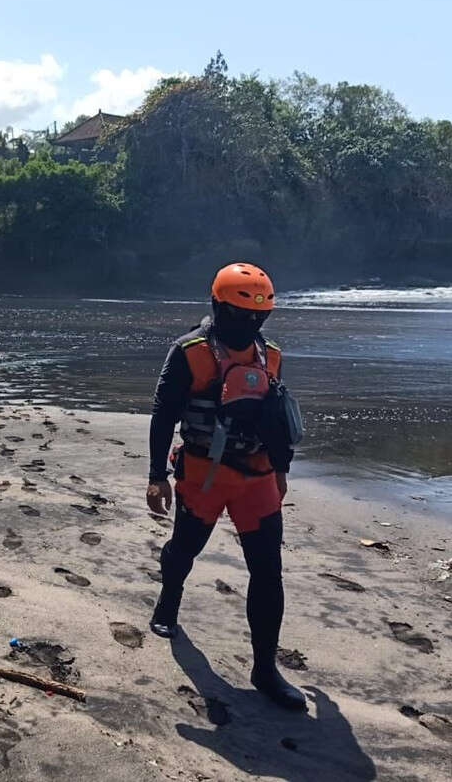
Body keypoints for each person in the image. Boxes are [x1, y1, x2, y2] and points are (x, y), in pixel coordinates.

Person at [146, 262, 305, 710]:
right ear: (217, 306)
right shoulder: (189, 352)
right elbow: (163, 416)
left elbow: (277, 420)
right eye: (240, 313)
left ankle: (265, 669)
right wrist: (157, 476)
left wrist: (280, 470)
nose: (250, 323)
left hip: (256, 479)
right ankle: (169, 599)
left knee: (268, 570)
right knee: (184, 549)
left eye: (259, 316)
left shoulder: (270, 356)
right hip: (203, 475)